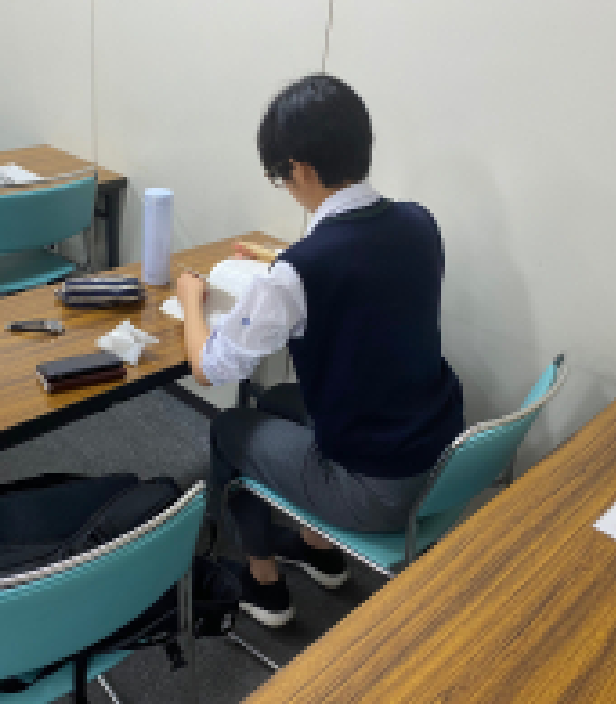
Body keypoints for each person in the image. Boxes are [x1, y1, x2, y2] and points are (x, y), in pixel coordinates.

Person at [176, 74, 464, 627]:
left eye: (281, 175)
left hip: (377, 491)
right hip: (442, 462)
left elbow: (209, 368)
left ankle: (265, 589)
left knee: (231, 430)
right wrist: (281, 271)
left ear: (301, 169)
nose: (286, 186)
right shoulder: (419, 223)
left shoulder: (302, 270)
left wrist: (192, 300)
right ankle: (321, 554)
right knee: (279, 402)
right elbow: (363, 276)